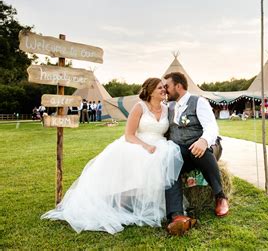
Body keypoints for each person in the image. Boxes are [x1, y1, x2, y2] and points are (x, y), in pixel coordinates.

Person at [41, 78, 183, 234]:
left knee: (165, 160)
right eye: (159, 88)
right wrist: (146, 146)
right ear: (150, 91)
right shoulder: (140, 107)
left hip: (161, 144)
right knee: (142, 161)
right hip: (138, 142)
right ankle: (122, 204)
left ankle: (158, 206)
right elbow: (129, 134)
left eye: (164, 87)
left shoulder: (167, 108)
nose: (163, 90)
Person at [163, 72, 228, 236]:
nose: (165, 90)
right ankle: (177, 215)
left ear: (178, 86)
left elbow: (212, 128)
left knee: (197, 151)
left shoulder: (199, 102)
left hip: (208, 146)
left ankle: (220, 196)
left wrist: (204, 140)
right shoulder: (169, 107)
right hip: (183, 151)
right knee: (170, 163)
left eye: (167, 86)